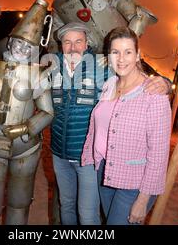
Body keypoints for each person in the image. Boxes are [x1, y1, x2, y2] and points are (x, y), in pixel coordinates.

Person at [50, 22, 170, 225]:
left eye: (78, 41)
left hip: (95, 162)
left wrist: (165, 82)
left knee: (88, 215)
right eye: (67, 42)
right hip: (78, 159)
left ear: (87, 43)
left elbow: (159, 153)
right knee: (67, 205)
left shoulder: (104, 71)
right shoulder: (56, 70)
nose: (73, 47)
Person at [0, 0, 54, 225]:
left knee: (19, 204)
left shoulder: (39, 75)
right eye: (18, 42)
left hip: (25, 146)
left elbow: (47, 112)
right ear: (9, 42)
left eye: (28, 46)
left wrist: (25, 127)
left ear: (34, 50)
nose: (21, 49)